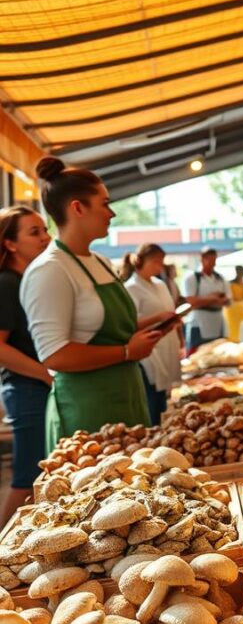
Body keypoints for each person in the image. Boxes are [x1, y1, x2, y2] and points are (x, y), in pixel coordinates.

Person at [22, 157, 177, 449]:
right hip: (87, 407)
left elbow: (112, 327)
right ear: (78, 208)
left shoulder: (101, 262)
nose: (112, 212)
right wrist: (127, 351)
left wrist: (155, 324)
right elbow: (55, 355)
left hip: (127, 393)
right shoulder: (51, 270)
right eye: (105, 203)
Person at [0, 206, 52, 522]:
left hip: (36, 385)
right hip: (26, 388)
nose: (45, 238)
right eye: (35, 232)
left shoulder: (28, 280)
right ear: (10, 243)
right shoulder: (7, 283)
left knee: (40, 477)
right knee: (27, 480)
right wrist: (48, 375)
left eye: (45, 230)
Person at [122, 243, 182, 424]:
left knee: (165, 398)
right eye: (156, 261)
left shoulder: (160, 284)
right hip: (150, 349)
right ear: (141, 261)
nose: (159, 266)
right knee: (153, 399)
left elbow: (169, 309)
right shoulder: (131, 287)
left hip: (167, 342)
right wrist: (158, 317)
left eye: (161, 262)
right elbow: (129, 323)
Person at [183, 247, 230, 353]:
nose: (212, 263)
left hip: (217, 321)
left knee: (217, 353)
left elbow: (227, 301)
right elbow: (191, 301)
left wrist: (208, 300)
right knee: (196, 353)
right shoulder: (192, 278)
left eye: (214, 260)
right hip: (199, 321)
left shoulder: (220, 278)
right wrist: (212, 298)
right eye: (209, 260)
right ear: (202, 259)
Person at [225, 265, 243, 342]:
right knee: (232, 328)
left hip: (241, 308)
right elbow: (230, 297)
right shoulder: (230, 284)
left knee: (240, 329)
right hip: (233, 309)